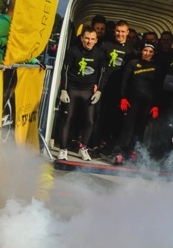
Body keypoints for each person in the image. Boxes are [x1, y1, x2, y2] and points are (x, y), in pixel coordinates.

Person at [57, 26, 105, 161]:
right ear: (82, 38)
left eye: (92, 39)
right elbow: (64, 70)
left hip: (88, 90)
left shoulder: (99, 53)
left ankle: (83, 148)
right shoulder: (73, 51)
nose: (89, 42)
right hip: (72, 89)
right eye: (87, 39)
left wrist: (99, 90)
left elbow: (102, 73)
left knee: (89, 121)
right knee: (67, 118)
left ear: (96, 40)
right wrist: (64, 90)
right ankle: (63, 149)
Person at [95, 20, 137, 154]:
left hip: (120, 90)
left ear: (127, 32)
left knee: (117, 119)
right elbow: (97, 65)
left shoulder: (132, 51)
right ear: (114, 31)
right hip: (104, 86)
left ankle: (111, 145)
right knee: (100, 116)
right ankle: (96, 144)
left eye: (123, 31)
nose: (120, 34)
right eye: (118, 31)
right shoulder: (106, 45)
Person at [114, 43, 161, 163]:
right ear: (142, 51)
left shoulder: (156, 66)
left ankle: (133, 152)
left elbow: (158, 87)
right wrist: (123, 98)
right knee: (127, 127)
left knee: (140, 128)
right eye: (145, 50)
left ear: (153, 53)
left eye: (150, 52)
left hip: (147, 103)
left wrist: (156, 105)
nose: (147, 53)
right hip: (132, 101)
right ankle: (119, 152)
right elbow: (124, 81)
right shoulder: (133, 63)